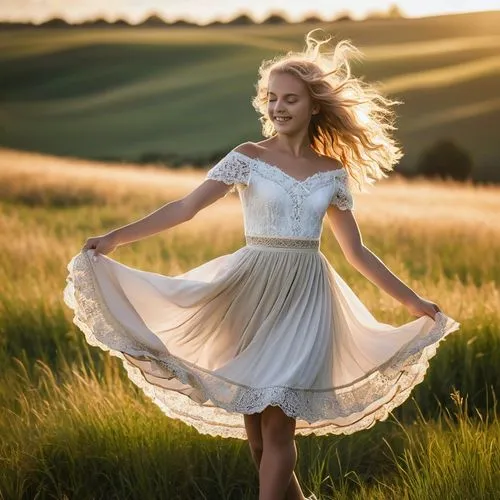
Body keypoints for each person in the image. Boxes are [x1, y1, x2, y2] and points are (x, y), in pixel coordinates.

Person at [64, 31, 460, 500]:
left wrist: (413, 302)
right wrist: (115, 238)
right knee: (256, 437)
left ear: (314, 106)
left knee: (277, 431)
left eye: (290, 99)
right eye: (272, 98)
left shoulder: (330, 172)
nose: (279, 107)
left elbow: (356, 250)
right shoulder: (247, 158)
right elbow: (184, 207)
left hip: (306, 299)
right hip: (248, 295)